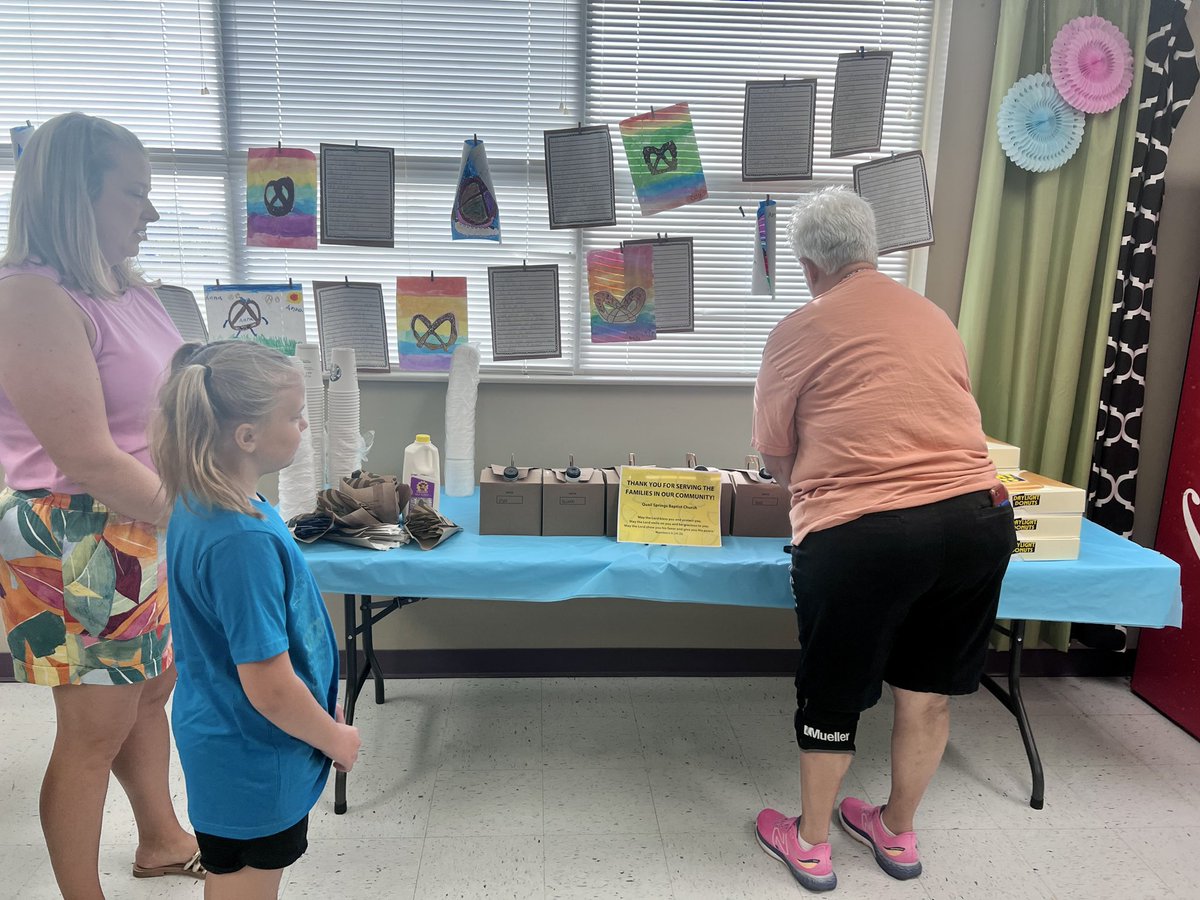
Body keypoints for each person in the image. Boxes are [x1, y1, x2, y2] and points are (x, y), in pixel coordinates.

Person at [750, 187, 1015, 892]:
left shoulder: (799, 330)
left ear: (808, 265)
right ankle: (896, 831)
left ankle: (809, 844)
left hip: (866, 535)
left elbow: (775, 456)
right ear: (873, 251)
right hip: (977, 520)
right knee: (927, 690)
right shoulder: (933, 317)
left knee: (834, 692)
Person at [0, 112, 203, 898]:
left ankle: (159, 840)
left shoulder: (125, 290)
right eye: (135, 194)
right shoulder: (30, 298)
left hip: (140, 520)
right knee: (91, 734)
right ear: (76, 196)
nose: (149, 214)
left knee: (150, 689)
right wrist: (201, 520)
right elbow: (85, 455)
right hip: (81, 533)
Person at [150, 339, 361, 900]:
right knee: (247, 886)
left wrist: (319, 699)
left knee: (233, 877)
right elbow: (267, 687)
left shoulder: (209, 503)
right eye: (294, 418)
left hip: (224, 738)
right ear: (246, 436)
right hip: (254, 756)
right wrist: (335, 737)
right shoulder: (239, 540)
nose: (305, 427)